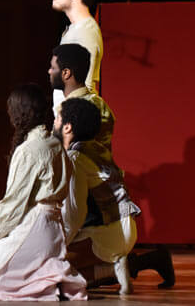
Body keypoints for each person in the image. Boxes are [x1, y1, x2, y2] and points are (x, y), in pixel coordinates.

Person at [0, 84, 86, 301]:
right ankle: (50, 279)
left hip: (37, 225)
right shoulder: (54, 143)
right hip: (54, 228)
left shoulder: (31, 149)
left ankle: (47, 283)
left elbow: (15, 201)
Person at [55, 98, 143, 294]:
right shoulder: (98, 148)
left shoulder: (75, 158)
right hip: (126, 228)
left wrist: (58, 245)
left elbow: (75, 214)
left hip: (105, 234)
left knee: (48, 272)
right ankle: (115, 267)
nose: (54, 122)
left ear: (68, 128)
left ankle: (112, 267)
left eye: (57, 118)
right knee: (60, 268)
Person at [51, 0, 103, 110]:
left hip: (73, 120)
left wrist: (69, 123)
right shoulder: (74, 29)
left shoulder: (86, 31)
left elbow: (84, 84)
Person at [49, 43, 115, 150]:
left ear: (66, 73)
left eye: (53, 68)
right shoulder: (99, 103)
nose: (49, 71)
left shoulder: (79, 111)